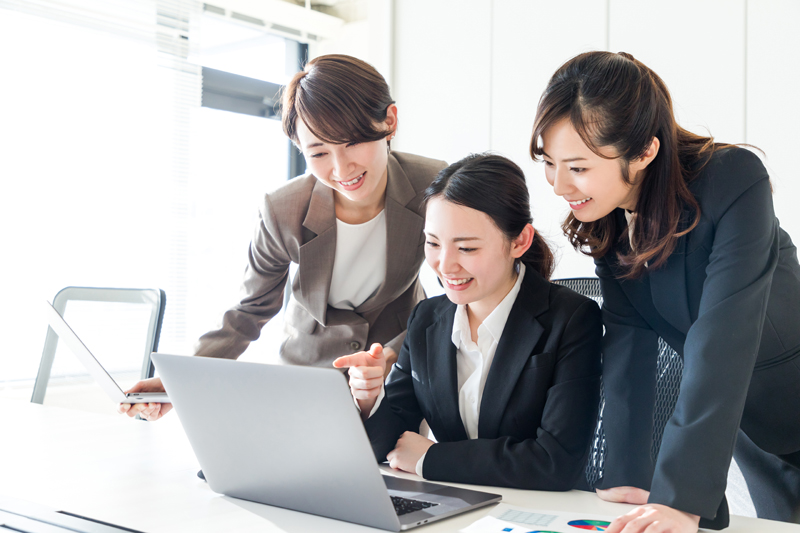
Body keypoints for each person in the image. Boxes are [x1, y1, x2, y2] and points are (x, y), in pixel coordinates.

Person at [531, 51, 800, 532]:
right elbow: (629, 343)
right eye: (550, 164)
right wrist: (629, 476)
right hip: (751, 429)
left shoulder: (734, 180)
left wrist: (680, 498)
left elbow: (723, 337)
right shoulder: (610, 219)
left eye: (577, 167)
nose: (557, 185)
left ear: (643, 152)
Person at [119, 54, 446, 421]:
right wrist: (177, 382)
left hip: (396, 371)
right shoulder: (283, 209)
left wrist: (393, 355)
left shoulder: (436, 188)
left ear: (389, 121)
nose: (341, 168)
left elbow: (457, 296)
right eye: (319, 152)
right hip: (304, 376)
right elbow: (250, 309)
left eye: (352, 143)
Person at [334, 153, 602, 490]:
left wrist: (431, 459)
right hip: (456, 503)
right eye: (433, 243)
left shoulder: (572, 319)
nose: (445, 266)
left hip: (532, 512)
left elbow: (555, 462)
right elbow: (389, 441)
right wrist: (369, 399)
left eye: (467, 249)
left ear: (519, 241)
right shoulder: (427, 318)